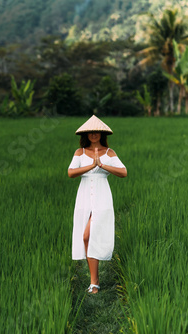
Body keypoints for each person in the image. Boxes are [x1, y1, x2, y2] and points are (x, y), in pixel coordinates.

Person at [67, 115, 127, 294]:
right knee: (85, 237)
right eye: (90, 132)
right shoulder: (80, 152)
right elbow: (71, 173)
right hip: (84, 196)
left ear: (102, 134)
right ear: (86, 134)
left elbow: (123, 172)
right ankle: (95, 279)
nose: (94, 134)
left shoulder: (110, 153)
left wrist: (102, 165)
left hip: (102, 196)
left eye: (97, 132)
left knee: (89, 235)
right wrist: (91, 165)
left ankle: (94, 283)